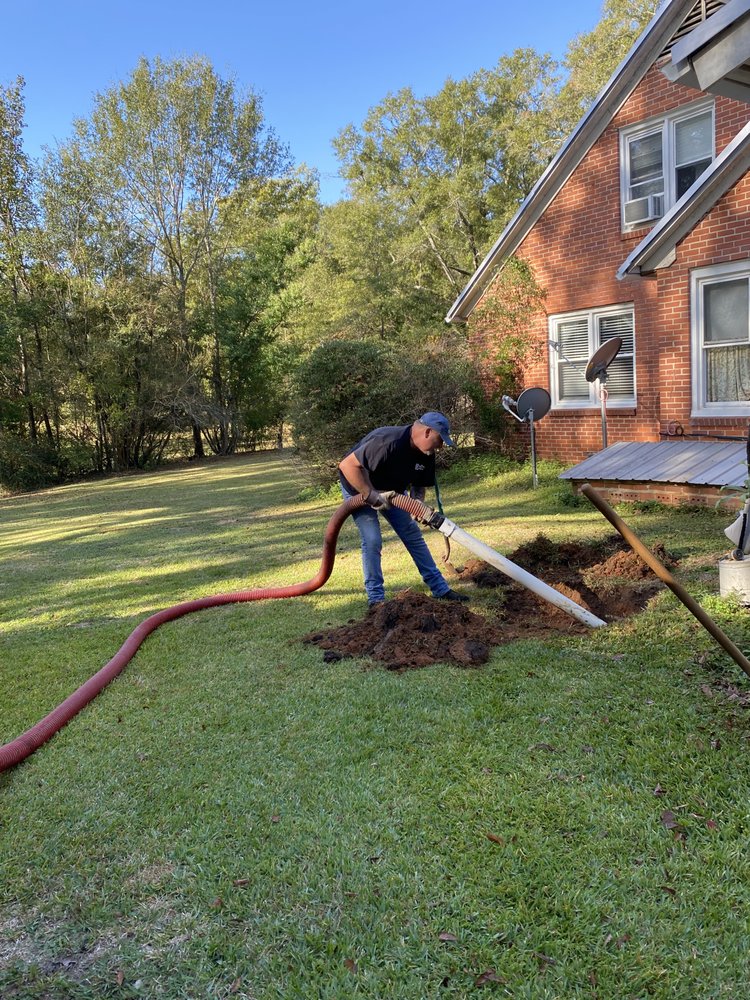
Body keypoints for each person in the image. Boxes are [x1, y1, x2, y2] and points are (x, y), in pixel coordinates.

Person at [338, 412, 469, 607]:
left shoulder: (426, 453)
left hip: (393, 493)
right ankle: (376, 600)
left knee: (412, 534)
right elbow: (347, 465)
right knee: (372, 540)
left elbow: (418, 485)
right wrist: (368, 493)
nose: (440, 446)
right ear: (427, 432)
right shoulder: (388, 441)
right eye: (439, 440)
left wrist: (416, 505)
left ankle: (440, 589)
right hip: (359, 487)